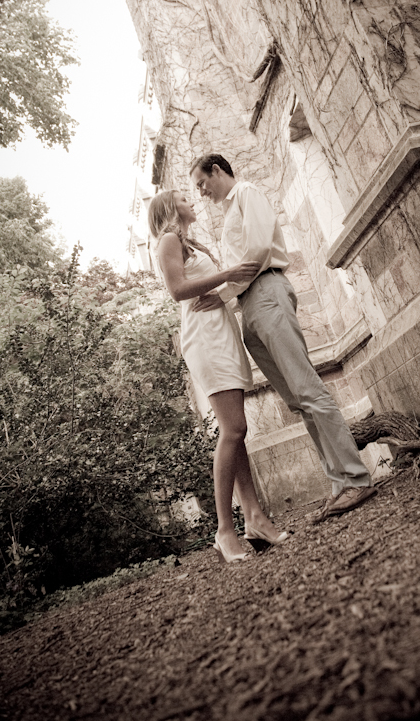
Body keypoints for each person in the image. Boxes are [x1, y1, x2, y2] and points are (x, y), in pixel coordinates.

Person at [189, 154, 377, 524]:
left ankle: (357, 478)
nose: (201, 192)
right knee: (297, 401)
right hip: (250, 307)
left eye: (201, 182)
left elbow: (258, 251)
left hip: (267, 292)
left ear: (216, 170)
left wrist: (224, 292)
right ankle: (339, 483)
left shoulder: (247, 192)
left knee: (309, 390)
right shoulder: (229, 212)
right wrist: (232, 295)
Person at [148, 189, 289, 563]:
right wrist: (226, 274)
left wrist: (225, 286)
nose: (191, 200)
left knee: (237, 429)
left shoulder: (188, 241)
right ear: (168, 208)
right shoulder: (166, 240)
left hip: (221, 334)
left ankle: (255, 518)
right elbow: (177, 290)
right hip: (205, 340)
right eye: (183, 197)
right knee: (233, 430)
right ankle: (225, 530)